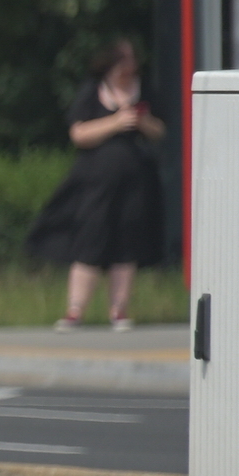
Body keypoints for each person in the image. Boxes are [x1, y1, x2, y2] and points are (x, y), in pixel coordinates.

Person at [26, 39, 167, 331]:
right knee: (90, 238)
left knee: (128, 241)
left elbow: (160, 131)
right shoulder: (92, 91)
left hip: (135, 180)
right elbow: (79, 133)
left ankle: (119, 310)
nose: (129, 69)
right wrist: (116, 122)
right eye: (123, 63)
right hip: (96, 181)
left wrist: (140, 122)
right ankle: (75, 309)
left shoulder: (145, 90)